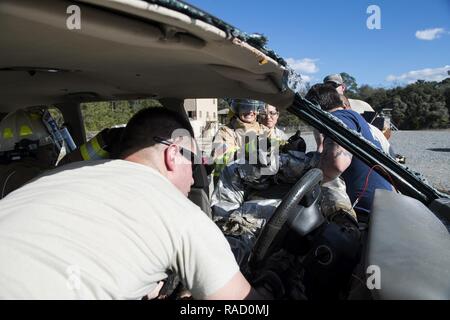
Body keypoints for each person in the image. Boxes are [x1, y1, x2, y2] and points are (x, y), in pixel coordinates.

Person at [0, 107, 278, 300]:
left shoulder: (55, 177)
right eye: (193, 163)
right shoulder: (181, 215)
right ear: (172, 155)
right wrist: (269, 289)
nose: (195, 178)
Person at [305, 84, 393, 214]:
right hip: (380, 204)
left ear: (314, 107)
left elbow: (336, 165)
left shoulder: (339, 118)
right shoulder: (353, 116)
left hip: (366, 214)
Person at [0, 107, 74, 199]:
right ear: (27, 152)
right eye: (50, 149)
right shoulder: (22, 176)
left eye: (56, 148)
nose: (55, 154)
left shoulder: (12, 171)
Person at [210, 99, 270, 180]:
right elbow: (219, 159)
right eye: (245, 107)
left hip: (261, 182)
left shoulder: (264, 130)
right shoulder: (226, 131)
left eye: (253, 107)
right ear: (237, 110)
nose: (250, 111)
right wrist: (245, 151)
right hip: (230, 184)